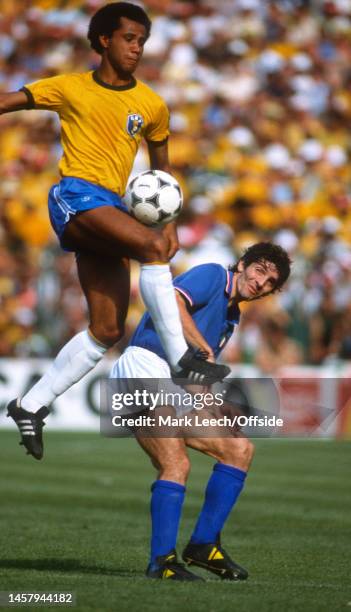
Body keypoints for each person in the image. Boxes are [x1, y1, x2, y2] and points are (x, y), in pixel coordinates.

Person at [1, 2, 229, 460]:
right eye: (129, 38)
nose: (137, 48)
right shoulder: (68, 88)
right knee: (151, 245)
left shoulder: (151, 104)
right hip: (76, 196)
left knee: (107, 330)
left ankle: (30, 405)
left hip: (113, 207)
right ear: (104, 39)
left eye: (142, 40)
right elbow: (7, 102)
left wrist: (171, 225)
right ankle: (182, 358)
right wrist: (158, 238)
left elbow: (163, 175)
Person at [109, 242, 291, 581]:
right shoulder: (212, 275)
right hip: (144, 367)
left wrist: (214, 405)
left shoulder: (231, 316)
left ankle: (203, 545)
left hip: (173, 384)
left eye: (270, 283)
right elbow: (171, 302)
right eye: (260, 271)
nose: (261, 283)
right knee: (175, 463)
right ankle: (161, 563)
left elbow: (192, 372)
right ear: (242, 263)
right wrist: (203, 347)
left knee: (239, 449)